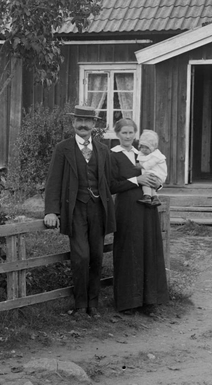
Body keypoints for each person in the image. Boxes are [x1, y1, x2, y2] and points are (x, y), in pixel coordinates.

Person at [44, 106, 141, 318]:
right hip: (75, 209)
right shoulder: (63, 149)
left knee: (97, 256)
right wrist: (52, 211)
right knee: (81, 256)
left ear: (94, 125)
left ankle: (93, 305)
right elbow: (53, 182)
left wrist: (142, 180)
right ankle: (80, 305)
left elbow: (111, 184)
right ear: (73, 123)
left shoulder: (103, 150)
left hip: (98, 209)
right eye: (79, 120)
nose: (83, 124)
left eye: (88, 121)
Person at [108, 120, 170, 314]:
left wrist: (155, 183)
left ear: (136, 135)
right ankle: (128, 302)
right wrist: (137, 180)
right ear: (117, 133)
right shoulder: (113, 155)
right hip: (127, 208)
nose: (127, 136)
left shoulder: (142, 153)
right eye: (124, 132)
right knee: (129, 250)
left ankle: (149, 300)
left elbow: (157, 172)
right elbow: (111, 186)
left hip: (147, 207)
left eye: (131, 133)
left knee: (148, 248)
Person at [135, 129, 167, 206]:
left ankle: (147, 196)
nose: (144, 150)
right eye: (142, 147)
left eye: (147, 148)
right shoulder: (140, 154)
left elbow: (150, 163)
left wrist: (142, 166)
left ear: (153, 148)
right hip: (153, 174)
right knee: (151, 185)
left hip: (157, 174)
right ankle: (155, 198)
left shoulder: (156, 155)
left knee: (146, 183)